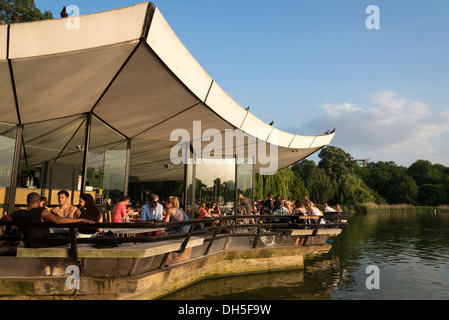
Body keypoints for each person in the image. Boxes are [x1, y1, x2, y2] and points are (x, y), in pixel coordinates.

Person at [0, 192, 94, 275]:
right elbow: (57, 220)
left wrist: (1, 227)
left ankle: (46, 267)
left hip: (30, 243)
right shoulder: (41, 211)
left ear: (27, 202)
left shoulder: (18, 214)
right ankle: (57, 267)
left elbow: (4, 219)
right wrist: (80, 219)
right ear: (38, 202)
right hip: (45, 241)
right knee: (69, 240)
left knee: (55, 240)